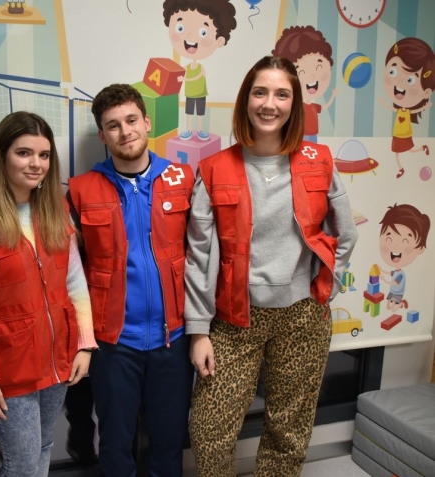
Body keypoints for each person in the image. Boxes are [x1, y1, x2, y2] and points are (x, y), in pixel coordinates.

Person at [186, 56, 359, 477]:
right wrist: (198, 331)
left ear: (294, 104)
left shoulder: (320, 161)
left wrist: (324, 290)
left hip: (302, 316)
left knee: (288, 430)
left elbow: (347, 234)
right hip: (233, 318)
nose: (270, 103)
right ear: (246, 99)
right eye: (260, 92)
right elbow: (199, 255)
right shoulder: (213, 168)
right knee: (209, 432)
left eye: (282, 94)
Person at [0, 111, 97, 477]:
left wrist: (84, 344)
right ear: (2, 156)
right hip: (9, 368)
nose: (36, 164)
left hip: (58, 358)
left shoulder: (56, 210)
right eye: (24, 153)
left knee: (43, 447)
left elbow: (75, 282)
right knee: (21, 464)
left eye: (44, 155)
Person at [67, 83, 195, 477]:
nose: (125, 132)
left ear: (146, 121)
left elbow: (205, 256)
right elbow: (70, 275)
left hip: (172, 338)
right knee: (116, 443)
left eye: (131, 120)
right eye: (113, 126)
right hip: (113, 343)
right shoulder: (80, 190)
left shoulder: (182, 178)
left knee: (169, 440)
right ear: (103, 135)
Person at [163, 0, 237, 141]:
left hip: (200, 94)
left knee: (200, 113)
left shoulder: (200, 68)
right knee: (190, 113)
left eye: (203, 32)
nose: (190, 37)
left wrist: (184, 79)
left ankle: (201, 130)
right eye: (180, 28)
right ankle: (189, 130)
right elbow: (179, 74)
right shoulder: (186, 67)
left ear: (219, 40)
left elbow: (197, 77)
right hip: (190, 94)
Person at [377, 37, 434, 178]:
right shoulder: (401, 109)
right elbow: (392, 109)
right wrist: (383, 103)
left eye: (410, 80)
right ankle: (401, 167)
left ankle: (420, 151)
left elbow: (414, 110)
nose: (400, 82)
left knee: (407, 150)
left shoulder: (407, 110)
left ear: (426, 92)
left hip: (404, 133)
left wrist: (425, 106)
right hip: (398, 133)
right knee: (399, 151)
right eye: (393, 72)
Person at [272, 25, 339, 143]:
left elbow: (324, 107)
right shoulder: (294, 105)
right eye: (301, 70)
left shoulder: (313, 106)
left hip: (313, 135)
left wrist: (333, 95)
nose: (312, 76)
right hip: (298, 134)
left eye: (319, 66)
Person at [378, 203, 430, 311]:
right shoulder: (396, 271)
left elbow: (393, 282)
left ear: (420, 248)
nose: (395, 245)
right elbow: (390, 273)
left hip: (397, 293)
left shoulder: (401, 275)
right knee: (388, 307)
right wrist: (381, 271)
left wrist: (383, 279)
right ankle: (400, 304)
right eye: (389, 238)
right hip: (392, 291)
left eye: (405, 241)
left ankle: (401, 304)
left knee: (393, 309)